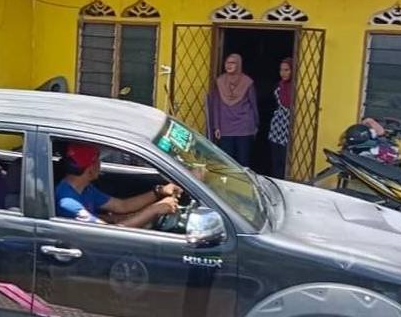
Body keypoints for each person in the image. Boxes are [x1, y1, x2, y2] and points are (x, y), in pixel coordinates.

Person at [55, 142, 183, 228]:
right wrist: (155, 210)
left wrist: (159, 191)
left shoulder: (84, 188)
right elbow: (108, 234)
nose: (101, 164)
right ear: (90, 169)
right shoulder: (68, 203)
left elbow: (122, 206)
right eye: (98, 160)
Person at [207, 53, 259, 167]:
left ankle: (244, 183)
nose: (229, 65)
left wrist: (256, 124)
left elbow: (253, 103)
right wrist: (216, 126)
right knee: (227, 160)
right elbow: (216, 105)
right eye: (227, 63)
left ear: (239, 65)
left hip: (244, 126)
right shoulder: (220, 81)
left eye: (233, 63)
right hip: (225, 127)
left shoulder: (247, 82)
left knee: (243, 160)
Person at [268, 57, 293, 178]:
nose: (283, 73)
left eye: (287, 70)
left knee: (286, 162)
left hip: (290, 128)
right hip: (277, 128)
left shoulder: (296, 88)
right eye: (281, 70)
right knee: (276, 161)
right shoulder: (278, 86)